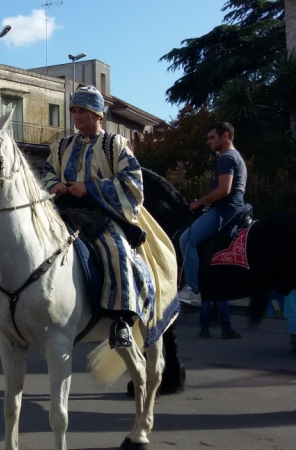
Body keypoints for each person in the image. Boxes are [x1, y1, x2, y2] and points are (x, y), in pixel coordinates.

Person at [41, 85, 178, 348]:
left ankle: (121, 320)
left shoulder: (115, 144)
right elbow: (47, 172)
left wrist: (90, 187)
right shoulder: (61, 147)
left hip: (100, 214)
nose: (76, 115)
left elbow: (133, 182)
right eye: (73, 110)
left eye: (82, 110)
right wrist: (52, 185)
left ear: (97, 114)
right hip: (62, 211)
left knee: (117, 250)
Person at [177, 122, 246, 339]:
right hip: (234, 207)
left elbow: (224, 190)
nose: (208, 142)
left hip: (225, 209)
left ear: (225, 136)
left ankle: (193, 288)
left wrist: (199, 202)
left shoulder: (226, 158)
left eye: (211, 138)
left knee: (186, 239)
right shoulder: (236, 157)